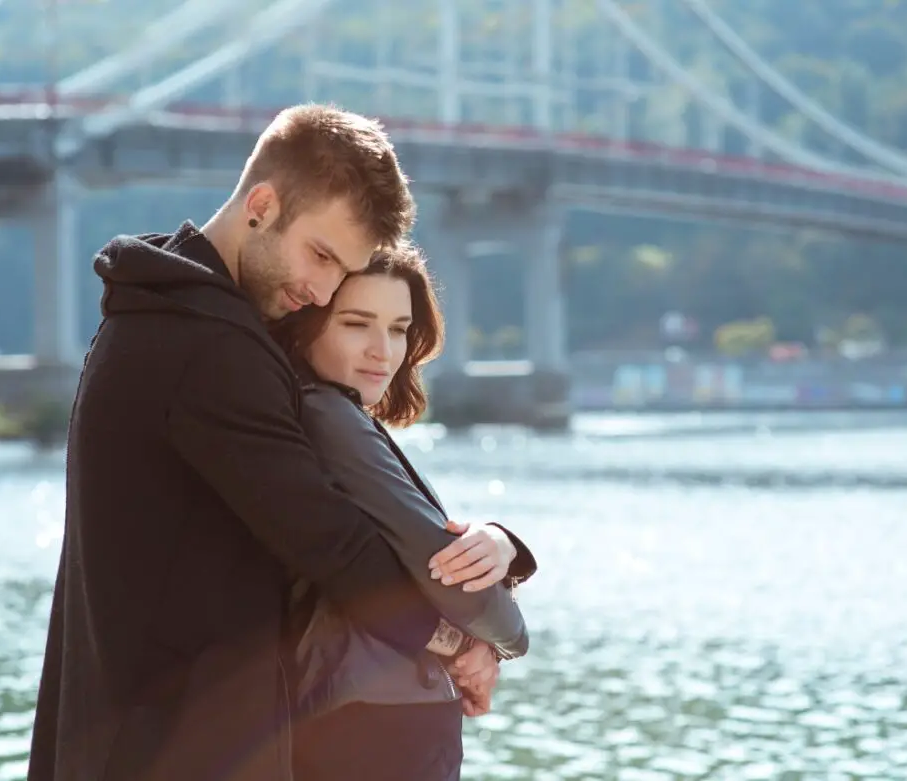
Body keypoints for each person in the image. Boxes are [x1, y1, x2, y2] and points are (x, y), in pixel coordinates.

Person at [28, 104, 505, 781]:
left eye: (340, 272)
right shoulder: (208, 348)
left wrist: (499, 542)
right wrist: (457, 641)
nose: (319, 289)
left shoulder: (158, 308)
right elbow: (330, 536)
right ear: (261, 203)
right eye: (319, 254)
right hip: (173, 746)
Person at [267, 244, 537, 781]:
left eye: (397, 329)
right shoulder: (327, 416)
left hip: (366, 712)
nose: (382, 351)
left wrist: (502, 544)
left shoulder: (335, 415)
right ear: (305, 323)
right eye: (356, 324)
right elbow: (443, 566)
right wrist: (507, 638)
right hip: (374, 722)